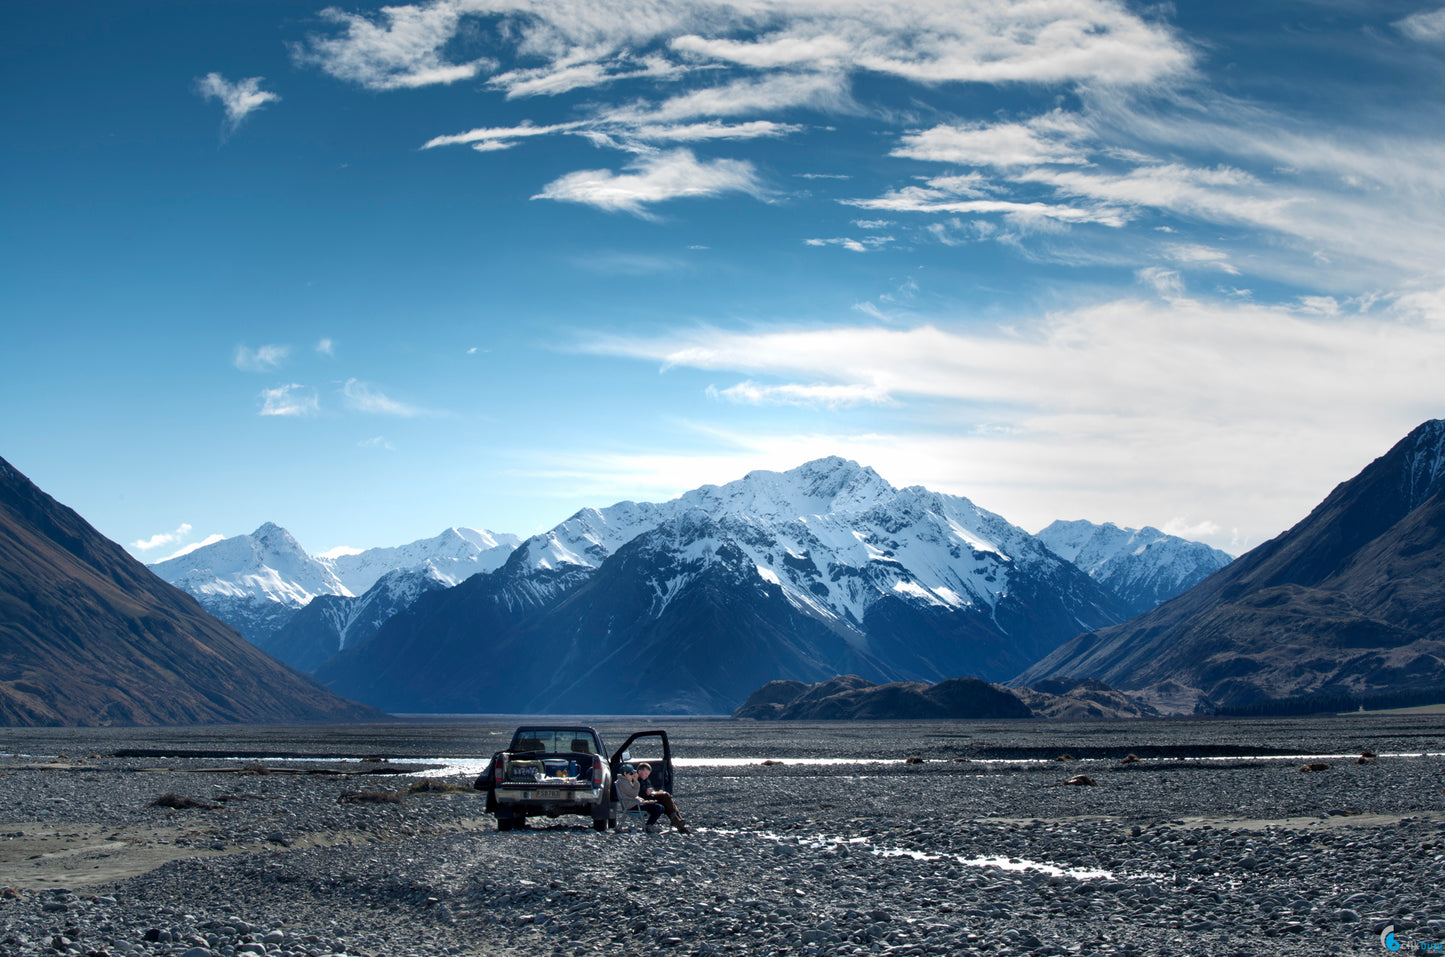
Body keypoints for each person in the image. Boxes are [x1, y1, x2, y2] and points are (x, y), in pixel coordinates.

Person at [636, 762, 690, 834]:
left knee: (667, 801)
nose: (646, 776)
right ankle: (678, 820)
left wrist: (651, 790)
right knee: (666, 797)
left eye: (648, 774)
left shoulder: (645, 780)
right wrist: (646, 791)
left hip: (650, 797)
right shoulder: (636, 780)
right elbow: (636, 793)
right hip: (644, 799)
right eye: (645, 773)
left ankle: (678, 822)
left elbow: (649, 788)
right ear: (639, 772)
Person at [615, 764, 665, 831]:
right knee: (658, 807)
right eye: (631, 774)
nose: (633, 776)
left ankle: (649, 825)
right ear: (625, 773)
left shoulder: (625, 781)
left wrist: (642, 800)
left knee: (660, 807)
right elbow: (634, 793)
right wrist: (636, 781)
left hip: (633, 803)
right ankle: (649, 825)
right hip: (631, 805)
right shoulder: (623, 782)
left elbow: (632, 795)